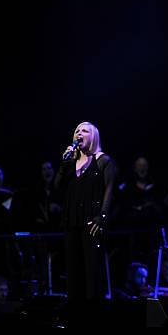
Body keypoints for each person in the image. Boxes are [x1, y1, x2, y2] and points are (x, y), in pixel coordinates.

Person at [54, 122, 117, 302]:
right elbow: (57, 188)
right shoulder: (71, 163)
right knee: (74, 271)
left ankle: (93, 313)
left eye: (84, 131)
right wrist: (64, 164)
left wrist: (102, 217)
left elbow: (110, 191)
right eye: (76, 131)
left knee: (92, 272)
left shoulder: (103, 160)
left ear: (94, 136)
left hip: (92, 223)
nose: (79, 133)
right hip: (72, 222)